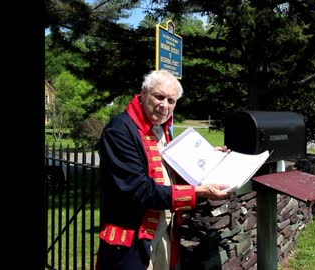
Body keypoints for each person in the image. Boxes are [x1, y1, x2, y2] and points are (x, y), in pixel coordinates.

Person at [96, 70, 231, 270]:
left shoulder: (160, 127)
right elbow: (140, 190)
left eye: (171, 100)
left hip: (163, 231)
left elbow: (167, 169)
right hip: (132, 238)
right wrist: (197, 192)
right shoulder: (119, 131)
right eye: (159, 97)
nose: (164, 105)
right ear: (143, 93)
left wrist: (207, 157)